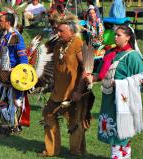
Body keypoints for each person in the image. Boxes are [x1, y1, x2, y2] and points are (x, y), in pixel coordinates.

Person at [86, 25, 143, 159]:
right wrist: (93, 77)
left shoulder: (132, 56)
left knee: (121, 131)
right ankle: (123, 156)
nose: (115, 37)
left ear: (128, 38)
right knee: (114, 130)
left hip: (123, 99)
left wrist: (122, 83)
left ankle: (119, 156)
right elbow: (102, 73)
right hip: (109, 98)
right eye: (115, 34)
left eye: (119, 35)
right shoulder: (110, 53)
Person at [38, 13, 93, 157]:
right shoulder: (58, 45)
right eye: (58, 30)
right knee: (48, 115)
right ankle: (51, 150)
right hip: (58, 91)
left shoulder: (78, 44)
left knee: (75, 122)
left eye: (61, 31)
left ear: (72, 31)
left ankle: (76, 151)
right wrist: (49, 85)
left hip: (73, 91)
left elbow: (86, 69)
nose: (58, 33)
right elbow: (56, 68)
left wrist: (78, 91)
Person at [0, 12, 29, 136]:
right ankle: (7, 126)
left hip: (12, 75)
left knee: (11, 101)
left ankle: (11, 126)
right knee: (1, 100)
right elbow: (2, 55)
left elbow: (23, 58)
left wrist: (21, 75)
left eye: (1, 20)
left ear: (8, 22)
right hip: (2, 75)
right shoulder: (4, 36)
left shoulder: (16, 37)